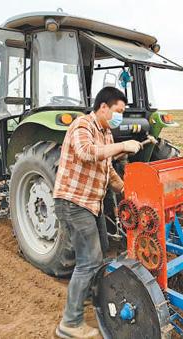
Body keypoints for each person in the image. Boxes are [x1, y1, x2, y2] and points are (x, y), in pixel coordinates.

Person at [53, 87, 142, 339]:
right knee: (89, 260)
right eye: (118, 112)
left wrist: (127, 190)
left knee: (101, 250)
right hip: (73, 202)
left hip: (92, 203)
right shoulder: (83, 126)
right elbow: (86, 152)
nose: (120, 117)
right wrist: (123, 145)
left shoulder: (106, 133)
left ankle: (92, 299)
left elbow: (108, 171)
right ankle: (70, 323)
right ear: (103, 107)